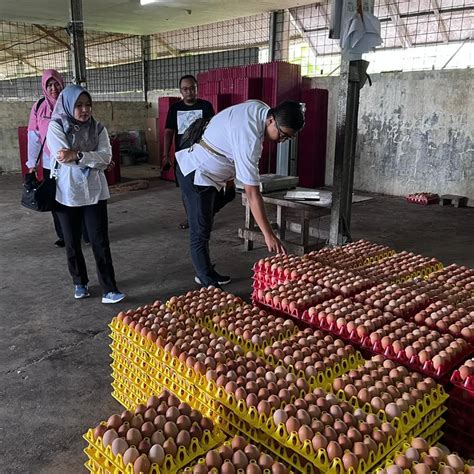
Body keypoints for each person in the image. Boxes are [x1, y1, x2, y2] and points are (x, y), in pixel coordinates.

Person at [175, 99, 305, 289]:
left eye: (287, 138)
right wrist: (268, 234)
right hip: (197, 173)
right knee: (200, 230)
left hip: (213, 176)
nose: (282, 140)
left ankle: (205, 263)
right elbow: (252, 194)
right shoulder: (250, 138)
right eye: (283, 135)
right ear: (271, 121)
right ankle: (205, 279)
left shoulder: (260, 108)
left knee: (224, 199)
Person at [47, 84, 125, 304]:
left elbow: (106, 157)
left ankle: (109, 288)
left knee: (100, 240)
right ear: (68, 105)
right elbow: (63, 157)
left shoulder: (98, 128)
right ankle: (80, 282)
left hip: (95, 192)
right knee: (72, 241)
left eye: (88, 105)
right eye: (79, 105)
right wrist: (90, 158)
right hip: (67, 192)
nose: (84, 110)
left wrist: (78, 155)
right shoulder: (57, 126)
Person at [162, 74, 215, 229]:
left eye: (192, 88)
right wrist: (165, 155)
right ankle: (191, 218)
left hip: (203, 155)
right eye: (185, 89)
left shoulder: (206, 106)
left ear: (196, 88)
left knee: (205, 188)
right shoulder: (175, 109)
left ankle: (205, 218)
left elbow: (214, 128)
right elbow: (168, 132)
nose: (189, 92)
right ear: (181, 91)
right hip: (183, 156)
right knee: (186, 190)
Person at [26, 69, 66, 247]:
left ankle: (83, 232)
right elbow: (33, 137)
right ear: (44, 86)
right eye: (49, 85)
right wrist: (32, 163)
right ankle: (63, 235)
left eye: (56, 83)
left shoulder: (69, 102)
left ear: (61, 82)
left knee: (75, 195)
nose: (53, 88)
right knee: (55, 198)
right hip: (51, 163)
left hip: (70, 161)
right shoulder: (39, 106)